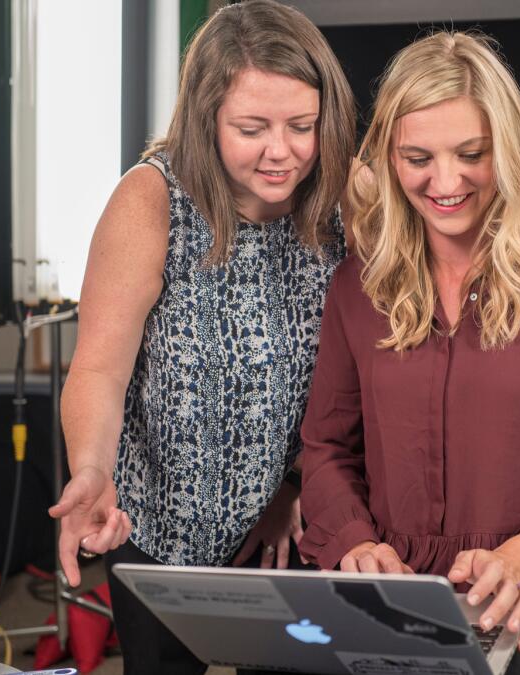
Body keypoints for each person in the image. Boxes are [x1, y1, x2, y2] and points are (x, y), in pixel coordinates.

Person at [298, 31, 520, 674]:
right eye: (418, 157)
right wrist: (357, 544)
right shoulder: (355, 285)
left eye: (471, 153)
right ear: (389, 160)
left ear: (507, 151)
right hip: (393, 585)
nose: (446, 181)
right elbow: (326, 453)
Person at [47, 1, 355, 673]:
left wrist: (296, 486)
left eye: (302, 126)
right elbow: (100, 370)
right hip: (159, 530)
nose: (282, 151)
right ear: (206, 118)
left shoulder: (338, 205)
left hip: (286, 528)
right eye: (253, 128)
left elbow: (354, 382)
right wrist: (92, 469)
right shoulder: (152, 200)